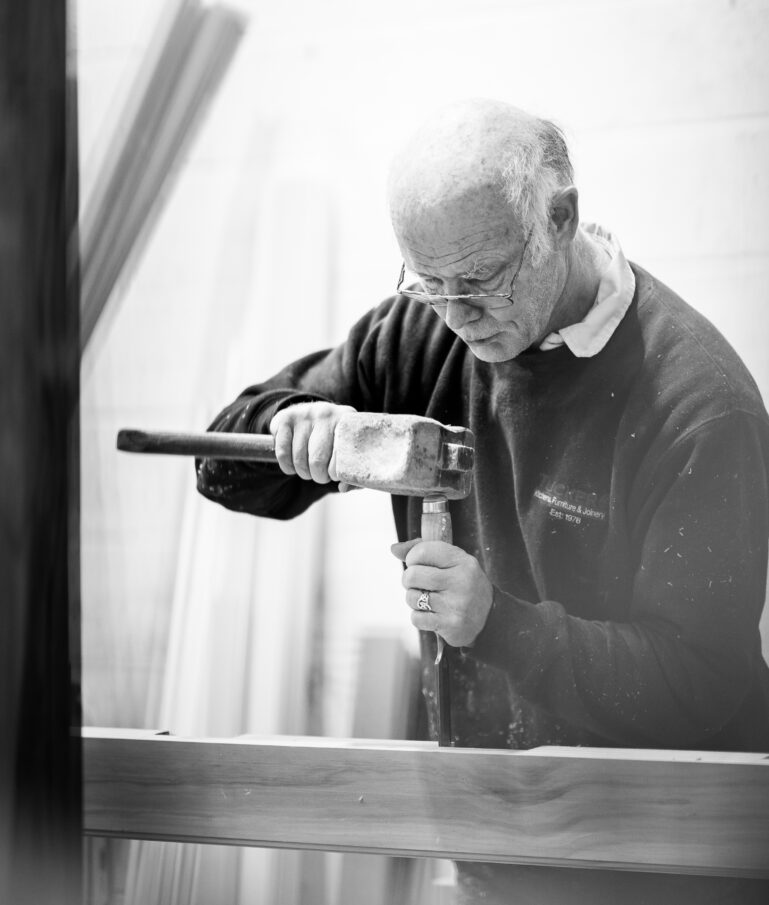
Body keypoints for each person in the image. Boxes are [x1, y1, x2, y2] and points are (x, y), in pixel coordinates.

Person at [197, 99, 769, 903]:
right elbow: (220, 466)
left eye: (478, 283)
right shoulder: (419, 330)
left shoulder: (697, 402)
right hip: (490, 840)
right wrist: (289, 426)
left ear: (560, 217)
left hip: (664, 860)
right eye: (427, 283)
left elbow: (700, 683)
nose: (456, 318)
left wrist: (496, 623)